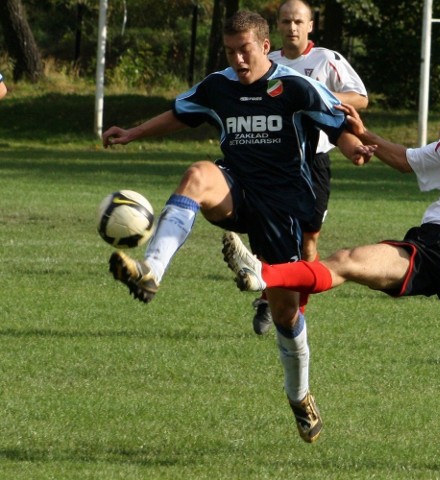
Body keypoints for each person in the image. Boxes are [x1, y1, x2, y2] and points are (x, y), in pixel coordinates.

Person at [222, 53, 440, 474]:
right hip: (430, 243)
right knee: (348, 260)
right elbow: (410, 160)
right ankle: (261, 273)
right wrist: (364, 133)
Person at [103, 11, 375, 444]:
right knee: (197, 173)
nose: (237, 59)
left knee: (286, 317)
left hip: (282, 208)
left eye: (244, 50)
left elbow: (337, 123)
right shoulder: (219, 85)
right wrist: (133, 133)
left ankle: (300, 394)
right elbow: (180, 111)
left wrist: (354, 146)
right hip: (235, 189)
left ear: (264, 47)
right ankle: (151, 270)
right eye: (230, 51)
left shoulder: (296, 86)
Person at [239, 0, 369, 336]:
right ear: (277, 26)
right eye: (285, 21)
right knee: (267, 232)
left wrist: (313, 93)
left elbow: (360, 97)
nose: (292, 27)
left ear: (310, 25)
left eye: (298, 21)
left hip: (314, 160)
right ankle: (269, 298)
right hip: (273, 159)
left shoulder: (326, 60)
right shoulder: (268, 62)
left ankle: (297, 307)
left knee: (309, 238)